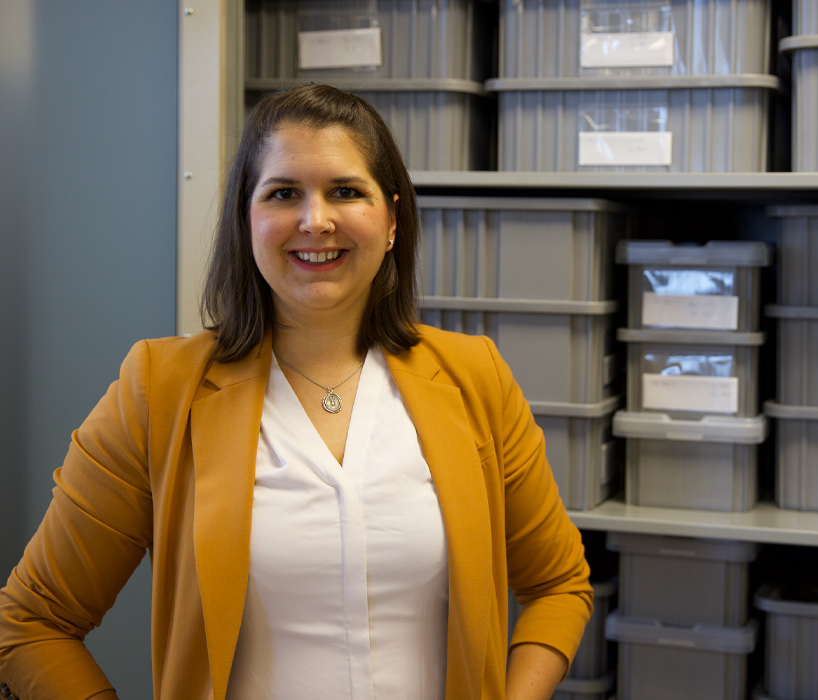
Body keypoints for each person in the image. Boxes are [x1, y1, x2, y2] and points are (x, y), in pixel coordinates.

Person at [0, 84, 593, 700]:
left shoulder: (475, 377)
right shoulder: (159, 390)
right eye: (284, 193)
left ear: (391, 221)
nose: (316, 220)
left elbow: (558, 584)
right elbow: (31, 621)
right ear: (246, 221)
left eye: (345, 191)